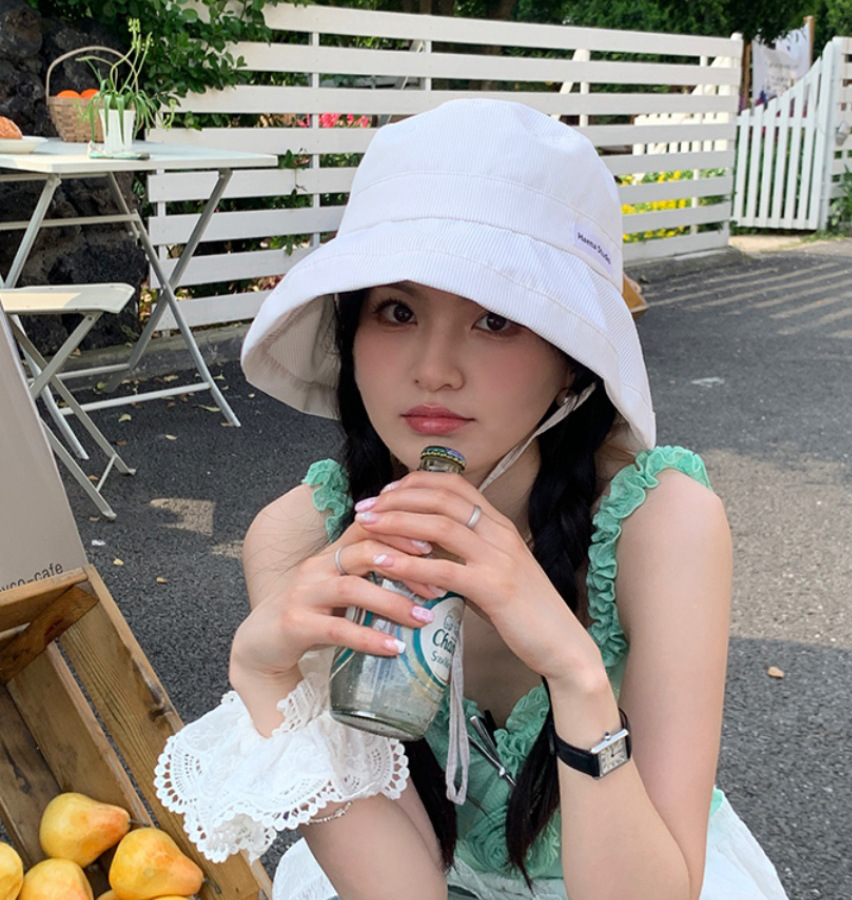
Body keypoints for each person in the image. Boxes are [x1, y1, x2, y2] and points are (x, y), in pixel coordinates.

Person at [155, 98, 790, 900]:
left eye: (495, 318)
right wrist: (267, 678)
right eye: (396, 311)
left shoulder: (660, 525)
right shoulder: (305, 539)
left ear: (573, 358)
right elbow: (403, 892)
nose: (433, 369)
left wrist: (574, 671)